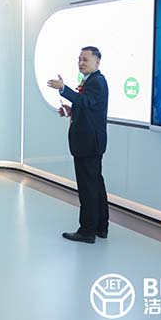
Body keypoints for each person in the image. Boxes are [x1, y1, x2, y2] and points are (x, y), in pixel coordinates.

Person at [48, 46, 110, 244]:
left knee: (88, 188)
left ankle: (87, 231)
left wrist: (63, 89)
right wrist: (70, 110)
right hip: (90, 143)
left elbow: (85, 101)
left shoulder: (97, 81)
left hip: (88, 144)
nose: (81, 63)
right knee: (96, 185)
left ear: (97, 62)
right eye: (79, 59)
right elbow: (88, 107)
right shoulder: (91, 81)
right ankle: (101, 227)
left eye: (85, 59)